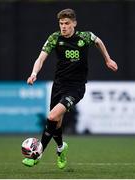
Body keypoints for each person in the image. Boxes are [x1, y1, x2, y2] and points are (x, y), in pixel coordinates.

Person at [22, 8, 118, 169]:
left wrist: (107, 59)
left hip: (76, 87)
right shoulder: (54, 38)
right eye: (61, 23)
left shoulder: (84, 36)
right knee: (57, 121)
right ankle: (61, 148)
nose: (63, 27)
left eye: (67, 23)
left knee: (52, 116)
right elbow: (40, 58)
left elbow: (98, 41)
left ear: (74, 23)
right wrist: (34, 73)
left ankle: (38, 153)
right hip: (58, 85)